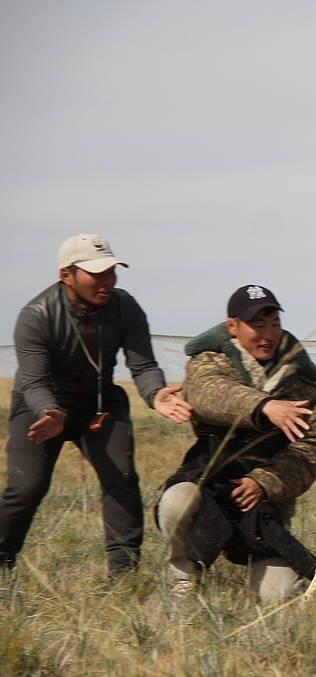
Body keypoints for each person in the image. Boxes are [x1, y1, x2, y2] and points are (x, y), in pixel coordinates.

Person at [0, 234, 192, 578]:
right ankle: (2, 561)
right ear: (66, 275)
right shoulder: (36, 316)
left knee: (121, 478)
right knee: (25, 488)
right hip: (41, 409)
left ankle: (124, 575)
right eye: (96, 274)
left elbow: (143, 365)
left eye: (111, 272)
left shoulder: (125, 307)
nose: (107, 281)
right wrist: (49, 410)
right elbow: (33, 379)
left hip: (98, 405)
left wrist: (156, 394)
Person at [154, 284, 316, 601]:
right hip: (207, 488)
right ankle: (183, 573)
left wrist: (263, 482)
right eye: (257, 325)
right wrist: (264, 406)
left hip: (261, 508)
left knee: (278, 597)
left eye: (274, 323)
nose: (267, 334)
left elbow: (309, 452)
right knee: (175, 504)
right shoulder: (208, 363)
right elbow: (207, 393)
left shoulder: (302, 386)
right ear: (232, 327)